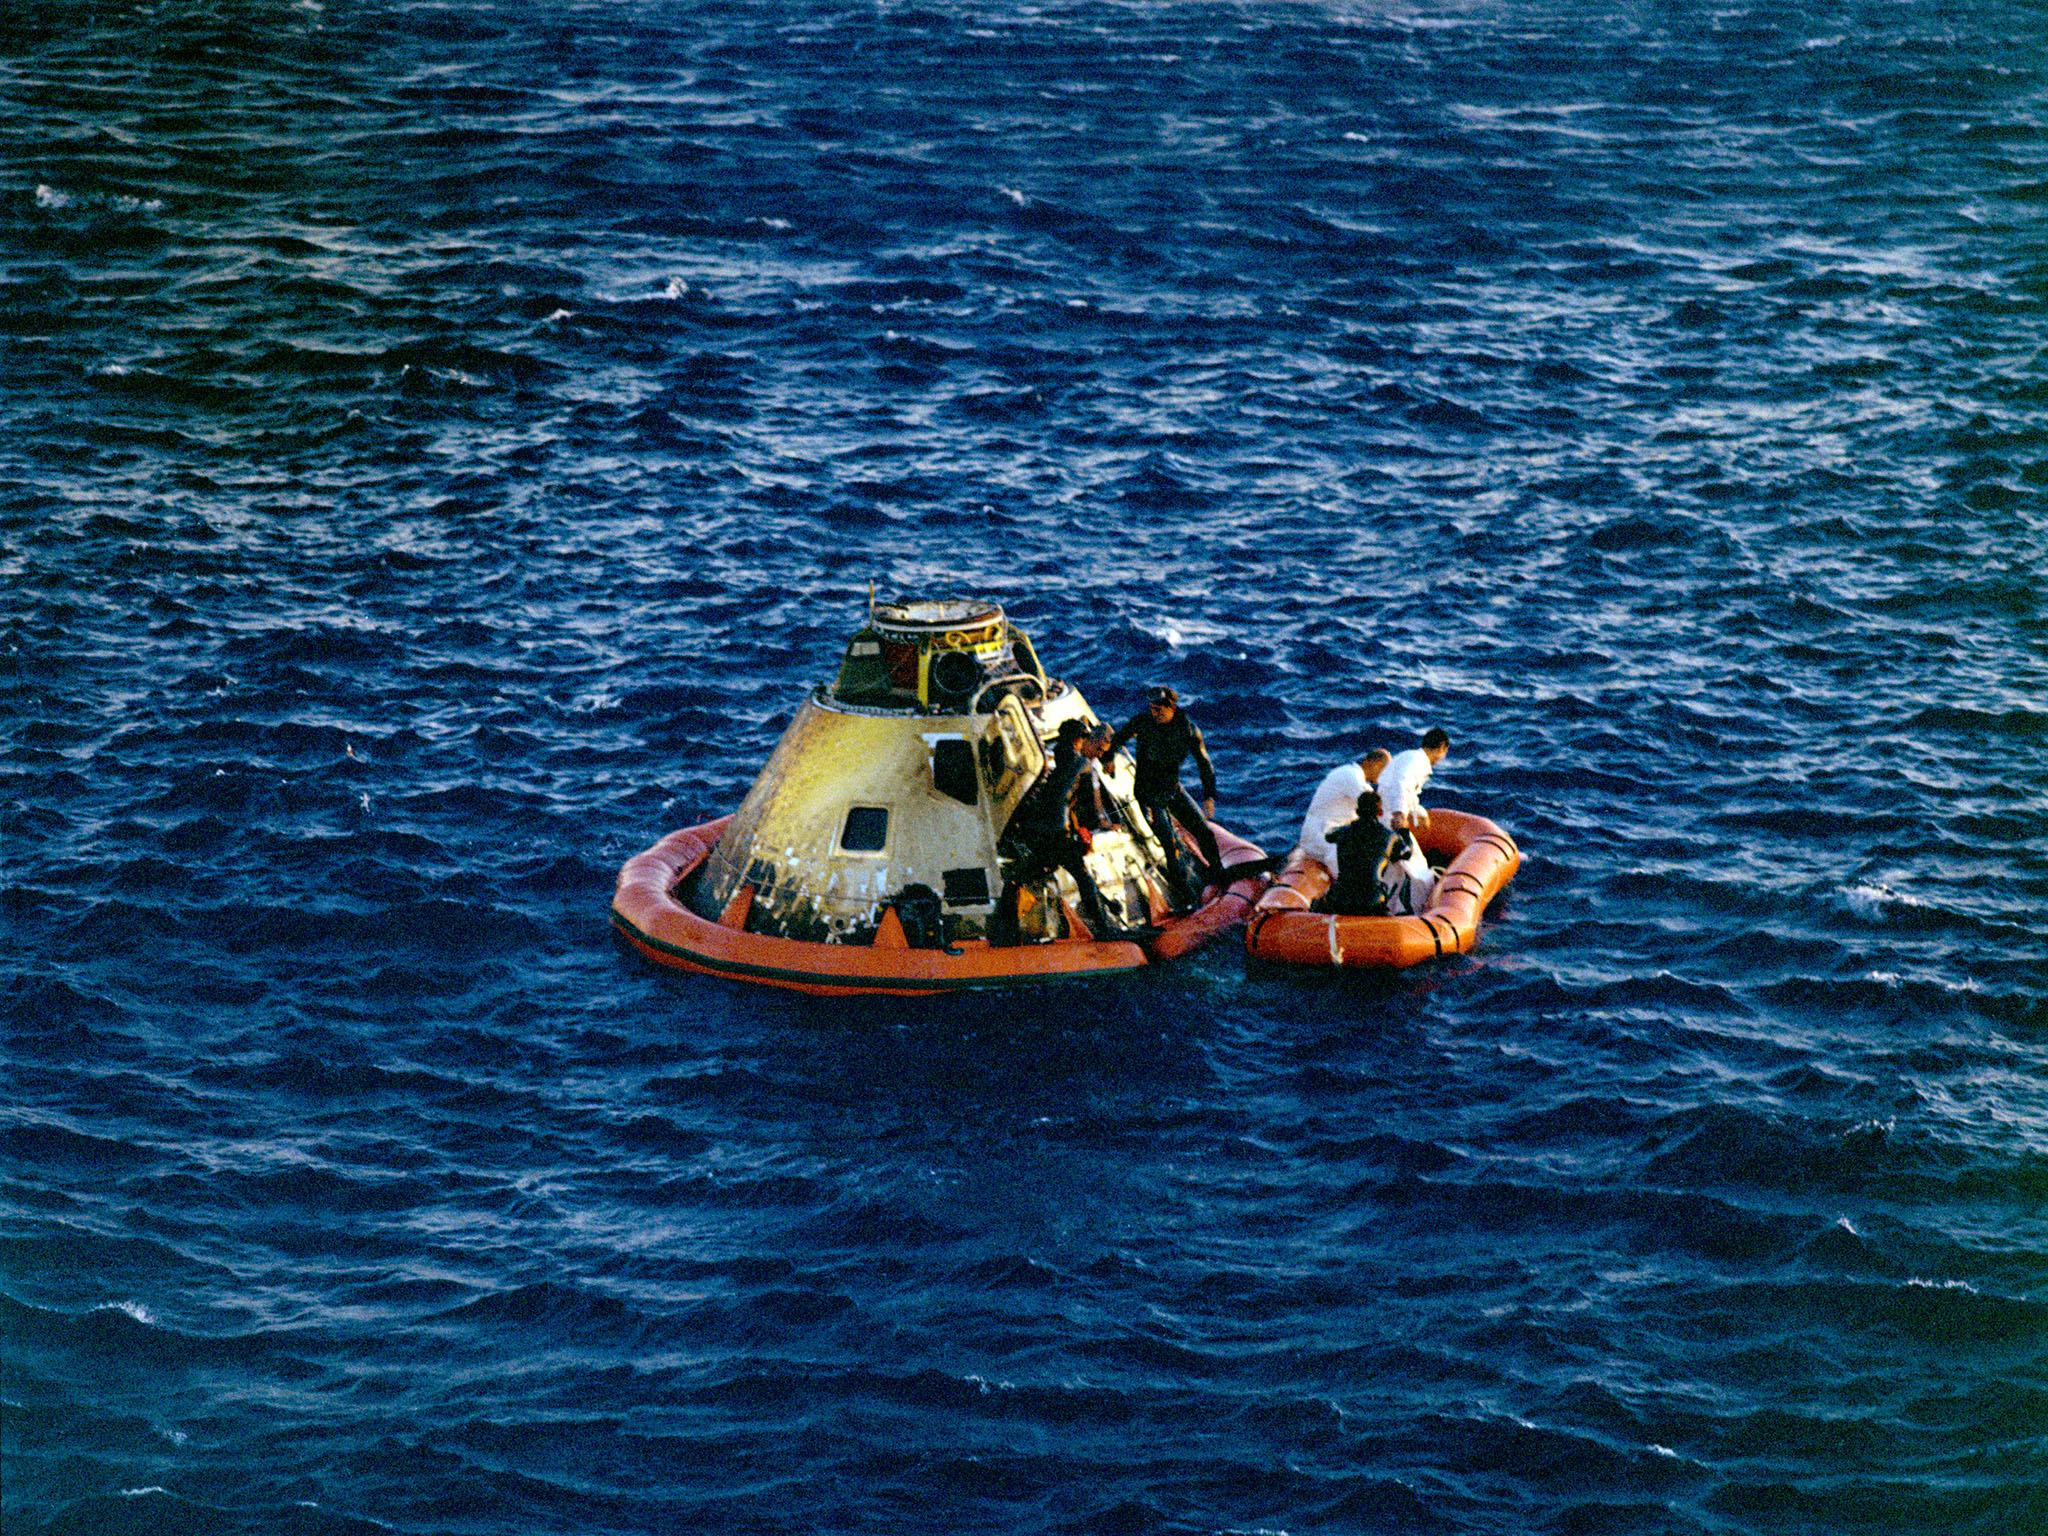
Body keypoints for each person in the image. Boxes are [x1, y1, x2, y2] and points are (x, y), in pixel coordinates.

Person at [996, 718, 1124, 941]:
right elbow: (1094, 803)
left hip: (1040, 831)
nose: (1098, 754)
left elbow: (1061, 796)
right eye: (1098, 748)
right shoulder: (1085, 764)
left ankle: (1004, 933)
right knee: (1084, 878)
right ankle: (1104, 929)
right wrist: (1103, 823)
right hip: (1058, 833)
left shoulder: (1060, 756)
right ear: (1082, 740)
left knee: (1017, 879)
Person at [1107, 685, 1223, 902]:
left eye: (1159, 709)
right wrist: (1108, 759)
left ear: (1171, 708)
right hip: (1148, 794)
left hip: (1172, 790)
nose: (1155, 714)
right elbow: (1118, 738)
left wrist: (1209, 796)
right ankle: (1186, 898)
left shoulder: (1187, 729)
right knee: (1170, 846)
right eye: (1152, 709)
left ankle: (1220, 876)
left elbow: (1204, 764)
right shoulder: (1142, 723)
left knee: (1205, 834)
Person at [1375, 728, 1450, 913]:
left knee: (1394, 871)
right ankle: (1418, 913)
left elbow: (1406, 792)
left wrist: (1419, 812)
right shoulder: (1417, 762)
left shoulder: (1408, 757)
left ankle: (1392, 911)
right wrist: (1400, 815)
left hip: (1383, 816)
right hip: (1391, 820)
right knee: (1418, 871)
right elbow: (1402, 784)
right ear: (1442, 747)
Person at [1298, 747, 1391, 871]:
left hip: (1325, 832)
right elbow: (1375, 806)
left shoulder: (1349, 773)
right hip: (1321, 835)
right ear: (1373, 763)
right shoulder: (1352, 777)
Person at [1316, 789, 1395, 917]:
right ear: (1380, 813)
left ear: (1357, 811)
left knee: (1320, 903)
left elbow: (1329, 836)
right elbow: (1405, 852)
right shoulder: (1389, 836)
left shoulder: (1343, 832)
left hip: (1340, 899)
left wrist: (1347, 826)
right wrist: (1403, 831)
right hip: (1371, 900)